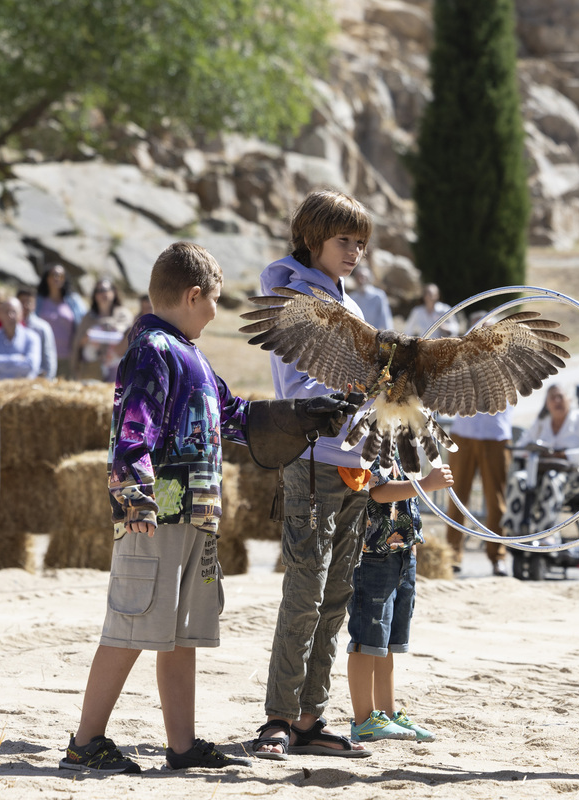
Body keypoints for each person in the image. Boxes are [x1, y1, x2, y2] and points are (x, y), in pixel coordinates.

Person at [62, 241, 354, 774]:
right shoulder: (152, 349)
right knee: (130, 628)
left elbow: (235, 414)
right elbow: (131, 430)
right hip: (156, 517)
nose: (217, 312)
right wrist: (135, 499)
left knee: (181, 634)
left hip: (196, 515)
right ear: (194, 295)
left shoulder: (189, 353)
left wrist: (302, 415)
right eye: (215, 300)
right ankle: (86, 742)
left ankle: (182, 746)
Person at [249, 189, 375, 760]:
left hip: (355, 465)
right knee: (304, 589)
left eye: (360, 243)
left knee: (337, 595)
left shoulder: (348, 302)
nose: (354, 252)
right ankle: (277, 716)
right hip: (312, 460)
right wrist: (350, 392)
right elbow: (302, 389)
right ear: (311, 239)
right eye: (344, 241)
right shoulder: (292, 298)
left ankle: (309, 717)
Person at [347, 454, 453, 743]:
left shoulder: (401, 439)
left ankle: (386, 713)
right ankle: (363, 719)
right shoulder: (372, 437)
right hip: (373, 554)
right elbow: (377, 490)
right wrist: (425, 484)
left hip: (402, 552)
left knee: (388, 641)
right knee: (366, 638)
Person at [502, 384, 579, 542]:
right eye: (552, 398)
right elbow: (519, 449)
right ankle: (514, 533)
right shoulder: (542, 421)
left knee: (552, 478)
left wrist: (565, 455)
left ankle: (546, 534)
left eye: (560, 397)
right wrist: (537, 451)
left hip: (575, 476)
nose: (557, 401)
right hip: (540, 474)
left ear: (569, 399)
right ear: (547, 403)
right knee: (518, 479)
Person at [445, 407, 515, 576]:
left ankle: (498, 556)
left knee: (497, 501)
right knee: (456, 498)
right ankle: (452, 555)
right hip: (463, 432)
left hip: (496, 434)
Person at [71, 279, 135, 381]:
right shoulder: (88, 317)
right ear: (95, 295)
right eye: (99, 291)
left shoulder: (124, 314)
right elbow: (78, 344)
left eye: (106, 290)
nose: (103, 294)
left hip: (117, 367)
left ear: (113, 292)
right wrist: (88, 338)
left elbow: (130, 339)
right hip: (93, 368)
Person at [36, 264, 87, 377]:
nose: (57, 278)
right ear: (46, 278)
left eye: (61, 276)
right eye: (53, 275)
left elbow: (85, 322)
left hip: (68, 357)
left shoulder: (74, 301)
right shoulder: (39, 301)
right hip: (43, 357)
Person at [0, 297, 43, 380]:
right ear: (0, 314)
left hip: (24, 388)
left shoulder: (32, 337)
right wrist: (18, 358)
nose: (10, 316)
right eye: (6, 312)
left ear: (21, 314)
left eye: (13, 311)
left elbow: (31, 366)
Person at [17, 287, 57, 379]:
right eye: (22, 302)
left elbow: (49, 355)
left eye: (29, 302)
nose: (25, 306)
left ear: (34, 305)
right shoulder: (11, 325)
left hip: (38, 377)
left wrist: (48, 378)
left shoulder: (42, 327)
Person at [347, 263, 393, 330]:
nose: (361, 280)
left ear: (369, 278)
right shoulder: (352, 298)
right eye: (359, 277)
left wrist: (390, 336)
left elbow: (385, 318)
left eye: (364, 277)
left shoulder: (378, 296)